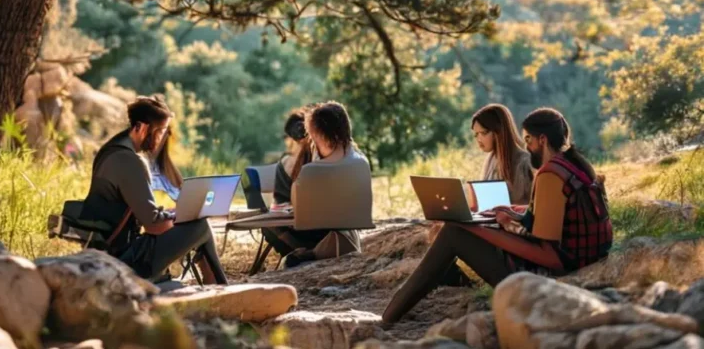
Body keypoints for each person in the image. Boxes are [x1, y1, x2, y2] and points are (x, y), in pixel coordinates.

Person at [382, 107, 612, 323]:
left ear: (543, 140)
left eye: (529, 140)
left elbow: (548, 255)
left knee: (454, 232)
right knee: (458, 230)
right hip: (577, 259)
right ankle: (421, 293)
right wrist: (515, 211)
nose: (526, 144)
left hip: (547, 275)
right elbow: (554, 216)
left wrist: (475, 229)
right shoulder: (576, 164)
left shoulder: (551, 175)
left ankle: (389, 317)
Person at [80, 95, 228, 284]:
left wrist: (171, 214)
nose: (161, 139)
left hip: (110, 253)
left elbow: (140, 212)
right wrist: (180, 217)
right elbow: (154, 225)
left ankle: (218, 287)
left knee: (196, 225)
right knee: (201, 226)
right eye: (160, 132)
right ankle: (221, 289)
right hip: (125, 262)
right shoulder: (128, 161)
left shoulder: (110, 150)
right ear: (140, 127)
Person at [262, 101, 367, 267]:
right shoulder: (361, 161)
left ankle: (305, 253)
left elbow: (301, 216)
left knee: (270, 225)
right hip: (348, 234)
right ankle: (306, 252)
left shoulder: (312, 170)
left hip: (323, 233)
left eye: (312, 136)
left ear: (319, 136)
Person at [471, 104, 533, 205]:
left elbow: (531, 206)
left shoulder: (524, 163)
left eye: (484, 133)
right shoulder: (490, 159)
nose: (479, 139)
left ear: (499, 131)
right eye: (476, 134)